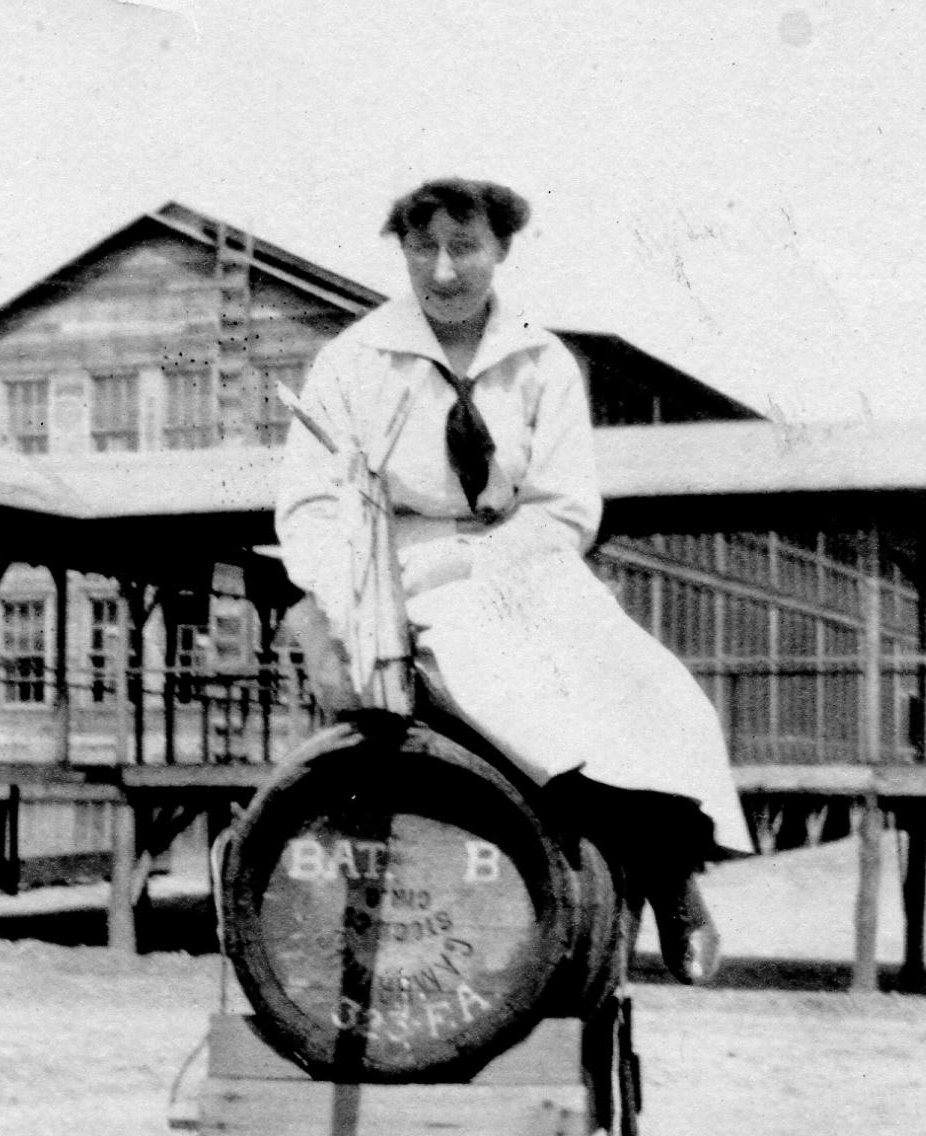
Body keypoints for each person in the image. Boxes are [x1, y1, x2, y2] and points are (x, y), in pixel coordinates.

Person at [275, 175, 751, 979]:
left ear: (500, 251)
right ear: (403, 250)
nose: (445, 271)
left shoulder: (541, 361)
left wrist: (493, 562)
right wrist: (351, 590)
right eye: (423, 247)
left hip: (524, 561)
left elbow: (565, 507)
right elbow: (308, 507)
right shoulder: (353, 360)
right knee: (514, 702)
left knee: (653, 688)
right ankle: (600, 881)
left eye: (466, 248)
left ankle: (675, 881)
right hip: (399, 573)